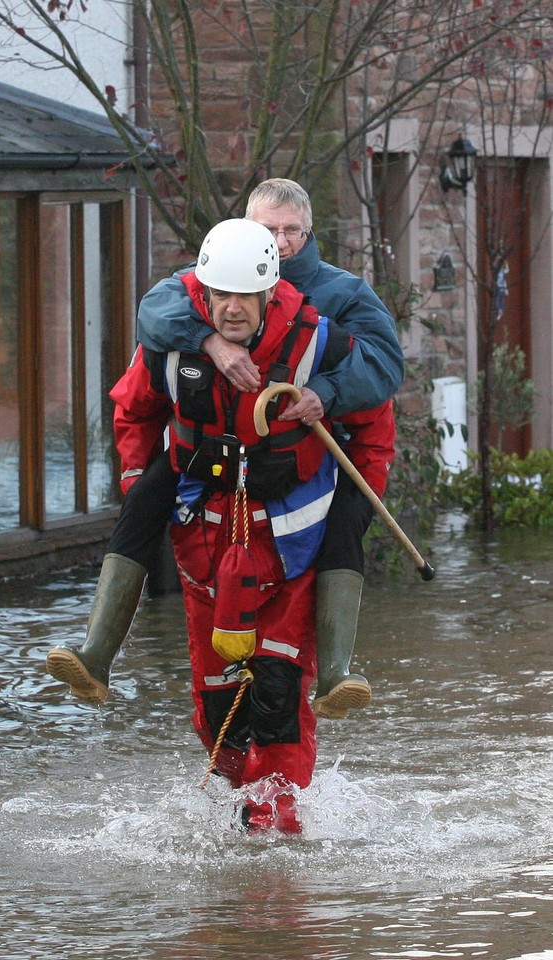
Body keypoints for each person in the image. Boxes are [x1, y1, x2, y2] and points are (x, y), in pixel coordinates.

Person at [46, 179, 402, 720]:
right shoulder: (197, 285)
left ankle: (335, 674)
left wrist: (324, 393)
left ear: (309, 234)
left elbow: (383, 368)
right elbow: (155, 314)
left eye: (291, 232)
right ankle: (95, 657)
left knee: (347, 521)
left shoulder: (340, 296)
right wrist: (210, 340)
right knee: (142, 501)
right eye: (269, 231)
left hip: (306, 452)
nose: (280, 243)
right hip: (209, 458)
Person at [107, 218, 394, 832]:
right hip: (203, 543)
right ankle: (238, 802)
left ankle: (279, 824)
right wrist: (137, 483)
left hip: (293, 543)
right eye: (221, 297)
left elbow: (376, 414)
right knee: (215, 703)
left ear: (270, 293)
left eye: (245, 297)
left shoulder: (322, 342)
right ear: (204, 294)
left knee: (280, 687)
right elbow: (134, 409)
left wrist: (360, 497)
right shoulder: (175, 341)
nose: (232, 310)